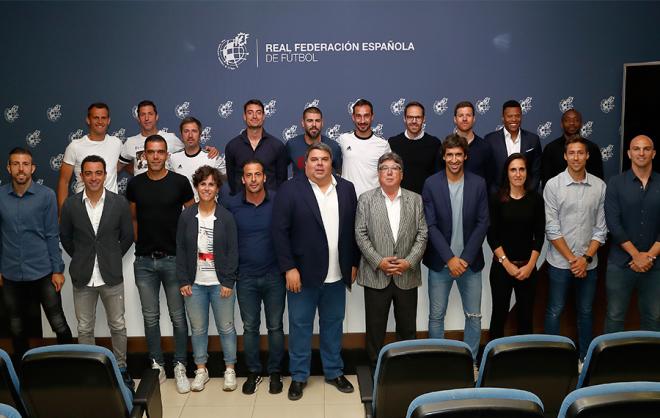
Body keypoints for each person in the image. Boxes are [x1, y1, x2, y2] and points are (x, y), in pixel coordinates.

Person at [272, 142, 359, 400]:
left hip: (337, 274)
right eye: (314, 159)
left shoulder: (346, 189)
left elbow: (353, 230)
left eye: (324, 159)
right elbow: (279, 232)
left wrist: (353, 263)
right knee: (300, 326)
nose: (319, 164)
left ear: (332, 163)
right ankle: (299, 376)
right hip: (302, 275)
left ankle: (333, 371)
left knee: (333, 325)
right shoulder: (289, 190)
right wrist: (289, 267)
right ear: (305, 163)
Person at [125, 134, 195, 392]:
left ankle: (179, 365)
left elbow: (192, 216)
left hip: (174, 260)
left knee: (178, 317)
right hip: (144, 262)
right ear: (143, 155)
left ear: (167, 155)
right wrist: (138, 242)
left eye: (160, 152)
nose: (155, 156)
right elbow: (132, 217)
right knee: (150, 317)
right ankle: (156, 364)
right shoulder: (135, 184)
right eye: (150, 152)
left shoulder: (180, 182)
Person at [59, 155, 134, 387]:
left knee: (118, 325)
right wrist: (83, 257)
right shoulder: (71, 204)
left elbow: (128, 236)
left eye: (98, 173)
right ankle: (90, 371)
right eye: (88, 173)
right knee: (84, 327)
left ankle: (121, 368)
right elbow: (66, 238)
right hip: (82, 276)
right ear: (81, 176)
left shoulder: (119, 202)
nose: (93, 178)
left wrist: (110, 256)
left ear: (105, 175)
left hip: (111, 275)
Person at [355, 152, 428, 367]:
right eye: (384, 168)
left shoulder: (415, 199)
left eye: (394, 168)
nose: (389, 172)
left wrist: (409, 261)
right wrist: (378, 261)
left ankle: (405, 369)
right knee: (375, 329)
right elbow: (360, 233)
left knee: (407, 329)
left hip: (407, 274)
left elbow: (422, 234)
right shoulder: (366, 200)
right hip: (376, 274)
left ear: (402, 174)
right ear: (378, 174)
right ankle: (376, 371)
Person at [422, 134, 489, 362]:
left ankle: (469, 363)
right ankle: (438, 363)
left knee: (474, 315)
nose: (454, 159)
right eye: (449, 155)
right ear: (443, 157)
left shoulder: (478, 183)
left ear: (465, 156)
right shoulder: (431, 184)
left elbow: (483, 223)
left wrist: (465, 258)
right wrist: (450, 258)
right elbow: (430, 225)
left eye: (458, 154)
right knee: (436, 316)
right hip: (441, 263)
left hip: (470, 264)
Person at [0, 147, 73, 358]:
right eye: (15, 164)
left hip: (43, 271)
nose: (20, 169)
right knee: (15, 326)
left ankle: (69, 367)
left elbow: (52, 235)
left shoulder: (46, 195)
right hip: (11, 272)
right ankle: (23, 372)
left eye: (25, 164)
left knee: (58, 322)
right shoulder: (1, 196)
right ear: (9, 168)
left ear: (32, 168)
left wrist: (57, 270)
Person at [543, 136, 607, 367]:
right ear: (565, 156)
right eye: (572, 153)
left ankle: (584, 360)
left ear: (587, 156)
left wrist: (586, 258)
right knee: (555, 310)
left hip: (589, 263)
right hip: (560, 263)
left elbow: (601, 229)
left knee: (586, 312)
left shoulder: (600, 186)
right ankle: (551, 359)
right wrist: (573, 260)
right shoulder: (553, 185)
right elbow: (552, 228)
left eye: (581, 153)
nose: (576, 157)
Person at [224, 160, 285, 394]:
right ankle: (253, 371)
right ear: (242, 179)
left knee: (276, 326)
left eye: (257, 174)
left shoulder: (278, 200)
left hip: (274, 275)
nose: (253, 179)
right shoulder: (232, 204)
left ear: (264, 177)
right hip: (246, 278)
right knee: (250, 327)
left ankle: (275, 371)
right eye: (248, 175)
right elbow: (226, 240)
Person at [177, 165, 238, 392]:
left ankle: (229, 369)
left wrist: (228, 281)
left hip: (220, 284)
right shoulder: (186, 216)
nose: (207, 188)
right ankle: (201, 370)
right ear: (196, 187)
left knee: (226, 327)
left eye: (211, 184)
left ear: (218, 188)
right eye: (203, 184)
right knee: (198, 328)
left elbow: (234, 252)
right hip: (194, 284)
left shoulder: (226, 217)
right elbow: (181, 249)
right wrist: (183, 280)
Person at [604, 135, 660, 332]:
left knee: (653, 317)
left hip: (656, 266)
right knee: (614, 316)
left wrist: (650, 256)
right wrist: (637, 256)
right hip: (621, 263)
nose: (641, 153)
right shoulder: (616, 183)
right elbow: (613, 223)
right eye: (636, 149)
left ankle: (651, 363)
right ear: (629, 153)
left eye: (646, 149)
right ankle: (610, 363)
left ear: (654, 153)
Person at [486, 153, 545, 340]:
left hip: (528, 268)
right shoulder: (497, 200)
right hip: (502, 268)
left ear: (527, 172)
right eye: (513, 169)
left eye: (521, 169)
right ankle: (492, 362)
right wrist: (507, 264)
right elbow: (492, 236)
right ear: (507, 173)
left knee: (526, 317)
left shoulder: (535, 200)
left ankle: (522, 363)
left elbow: (540, 235)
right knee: (499, 315)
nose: (518, 174)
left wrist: (529, 266)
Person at [57, 102, 122, 212]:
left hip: (111, 209)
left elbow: (124, 165)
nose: (100, 121)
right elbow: (64, 182)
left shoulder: (117, 143)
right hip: (83, 209)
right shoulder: (75, 146)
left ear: (108, 121)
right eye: (96, 118)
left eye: (103, 118)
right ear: (88, 120)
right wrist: (63, 213)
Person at [224, 99, 287, 195]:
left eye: (258, 113)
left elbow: (282, 180)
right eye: (250, 113)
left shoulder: (277, 146)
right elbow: (231, 179)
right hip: (241, 205)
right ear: (244, 117)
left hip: (270, 205)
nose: (254, 116)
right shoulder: (232, 146)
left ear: (263, 116)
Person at [484, 100, 542, 193]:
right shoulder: (490, 140)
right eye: (509, 116)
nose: (514, 119)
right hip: (499, 199)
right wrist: (496, 196)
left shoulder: (533, 140)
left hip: (526, 197)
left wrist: (527, 194)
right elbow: (487, 173)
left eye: (517, 116)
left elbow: (536, 172)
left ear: (521, 117)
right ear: (503, 118)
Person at [338, 98, 391, 197]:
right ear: (353, 117)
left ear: (372, 117)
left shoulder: (383, 144)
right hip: (348, 199)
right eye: (358, 116)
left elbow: (388, 175)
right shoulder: (343, 140)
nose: (362, 121)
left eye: (366, 116)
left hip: (372, 202)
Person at [388, 101, 441, 194]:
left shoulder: (434, 143)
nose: (414, 121)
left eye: (418, 117)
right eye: (410, 117)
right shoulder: (393, 143)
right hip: (400, 201)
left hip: (426, 200)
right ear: (404, 118)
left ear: (424, 119)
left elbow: (438, 176)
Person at [119, 100, 185, 175]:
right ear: (138, 119)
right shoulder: (130, 142)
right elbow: (120, 165)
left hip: (166, 186)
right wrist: (137, 171)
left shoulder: (171, 138)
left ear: (156, 117)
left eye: (150, 114)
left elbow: (186, 157)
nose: (146, 118)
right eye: (143, 114)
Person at [541, 109, 604, 186]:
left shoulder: (592, 148)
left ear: (581, 124)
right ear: (562, 124)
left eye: (576, 120)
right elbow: (546, 180)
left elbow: (598, 179)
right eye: (567, 120)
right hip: (559, 195)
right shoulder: (550, 148)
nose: (572, 123)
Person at [170, 116, 226, 200]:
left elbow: (229, 176)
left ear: (200, 135)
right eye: (186, 131)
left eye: (194, 131)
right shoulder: (173, 158)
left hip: (208, 210)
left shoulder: (212, 157)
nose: (190, 135)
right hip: (182, 211)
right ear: (181, 135)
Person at [286, 106, 342, 177]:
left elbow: (338, 173)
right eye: (310, 121)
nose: (314, 125)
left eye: (317, 121)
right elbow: (281, 169)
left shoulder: (333, 147)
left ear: (322, 123)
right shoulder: (292, 145)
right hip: (298, 187)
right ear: (303, 123)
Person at [451, 101, 492, 182]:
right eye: (461, 115)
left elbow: (489, 180)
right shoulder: (447, 147)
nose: (464, 119)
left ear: (474, 119)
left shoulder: (485, 147)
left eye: (468, 115)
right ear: (455, 119)